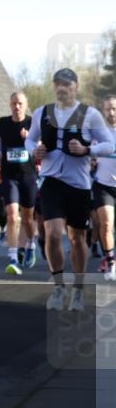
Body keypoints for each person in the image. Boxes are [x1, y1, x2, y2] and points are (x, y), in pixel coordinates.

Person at [27, 69, 114, 311]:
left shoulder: (90, 115)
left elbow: (108, 145)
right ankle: (58, 287)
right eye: (58, 84)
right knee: (53, 233)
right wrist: (34, 150)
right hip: (51, 180)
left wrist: (87, 150)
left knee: (77, 239)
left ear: (76, 87)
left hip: (79, 184)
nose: (62, 88)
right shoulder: (41, 113)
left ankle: (78, 288)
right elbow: (30, 140)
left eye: (67, 84)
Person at [0, 92, 38, 275]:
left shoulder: (33, 123)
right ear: (10, 105)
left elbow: (41, 145)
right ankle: (13, 257)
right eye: (14, 103)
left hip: (28, 175)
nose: (16, 107)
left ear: (26, 105)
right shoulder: (3, 122)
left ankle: (31, 244)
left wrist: (30, 140)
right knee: (11, 216)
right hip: (9, 176)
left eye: (20, 103)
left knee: (27, 217)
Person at [93, 95, 116, 281]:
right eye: (108, 109)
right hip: (103, 185)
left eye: (114, 108)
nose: (111, 113)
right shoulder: (97, 134)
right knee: (106, 223)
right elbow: (88, 156)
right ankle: (110, 261)